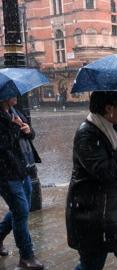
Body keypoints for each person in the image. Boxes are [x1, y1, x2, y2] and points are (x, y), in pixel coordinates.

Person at [66, 91, 117, 270]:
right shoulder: (87, 134)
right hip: (95, 218)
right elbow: (106, 171)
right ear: (108, 108)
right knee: (91, 266)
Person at [0, 96, 44, 269]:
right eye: (11, 94)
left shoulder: (15, 111)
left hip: (23, 167)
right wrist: (16, 127)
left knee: (20, 209)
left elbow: (30, 134)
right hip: (6, 173)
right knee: (21, 212)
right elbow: (3, 144)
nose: (16, 96)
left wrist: (26, 129)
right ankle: (26, 257)